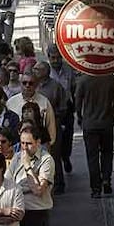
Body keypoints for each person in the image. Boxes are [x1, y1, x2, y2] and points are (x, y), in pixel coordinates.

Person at [75, 73, 114, 198]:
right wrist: (112, 115)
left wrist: (80, 118)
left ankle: (96, 188)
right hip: (106, 123)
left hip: (90, 124)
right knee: (107, 153)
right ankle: (106, 179)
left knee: (92, 157)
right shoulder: (112, 79)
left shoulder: (83, 80)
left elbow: (78, 103)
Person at [33, 60, 68, 194]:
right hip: (35, 128)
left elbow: (63, 107)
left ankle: (59, 183)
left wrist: (52, 115)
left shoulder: (56, 87)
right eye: (34, 69)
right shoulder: (33, 86)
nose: (35, 71)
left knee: (54, 154)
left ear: (45, 72)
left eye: (38, 69)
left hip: (52, 125)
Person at [6, 71, 56, 146]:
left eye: (31, 83)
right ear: (20, 84)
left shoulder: (44, 102)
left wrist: (49, 144)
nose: (27, 85)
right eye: (24, 83)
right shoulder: (11, 102)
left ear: (36, 85)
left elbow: (50, 126)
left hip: (39, 145)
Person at [47, 43, 76, 173]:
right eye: (53, 58)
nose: (55, 61)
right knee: (56, 138)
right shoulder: (46, 71)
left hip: (67, 107)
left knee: (68, 136)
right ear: (48, 58)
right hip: (53, 109)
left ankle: (66, 156)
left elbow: (73, 87)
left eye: (58, 58)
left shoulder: (68, 69)